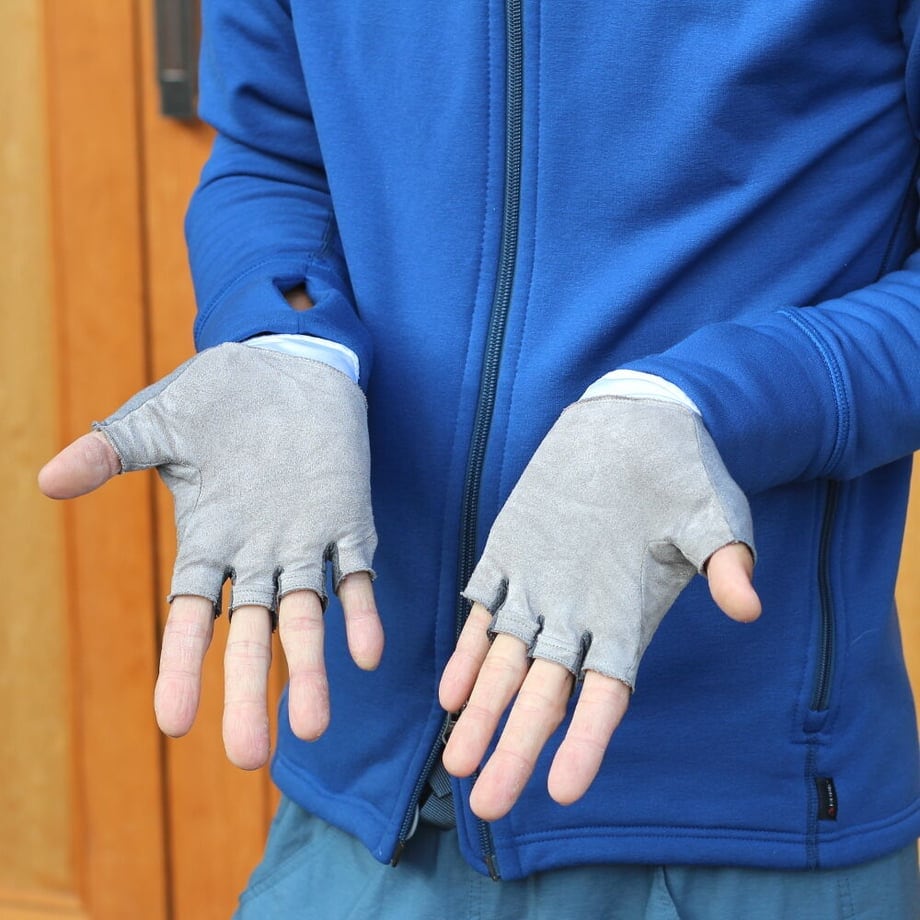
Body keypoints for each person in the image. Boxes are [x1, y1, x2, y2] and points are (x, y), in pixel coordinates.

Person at [39, 1, 920, 917]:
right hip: (362, 820)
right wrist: (286, 336)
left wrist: (712, 404)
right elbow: (273, 154)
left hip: (744, 833)